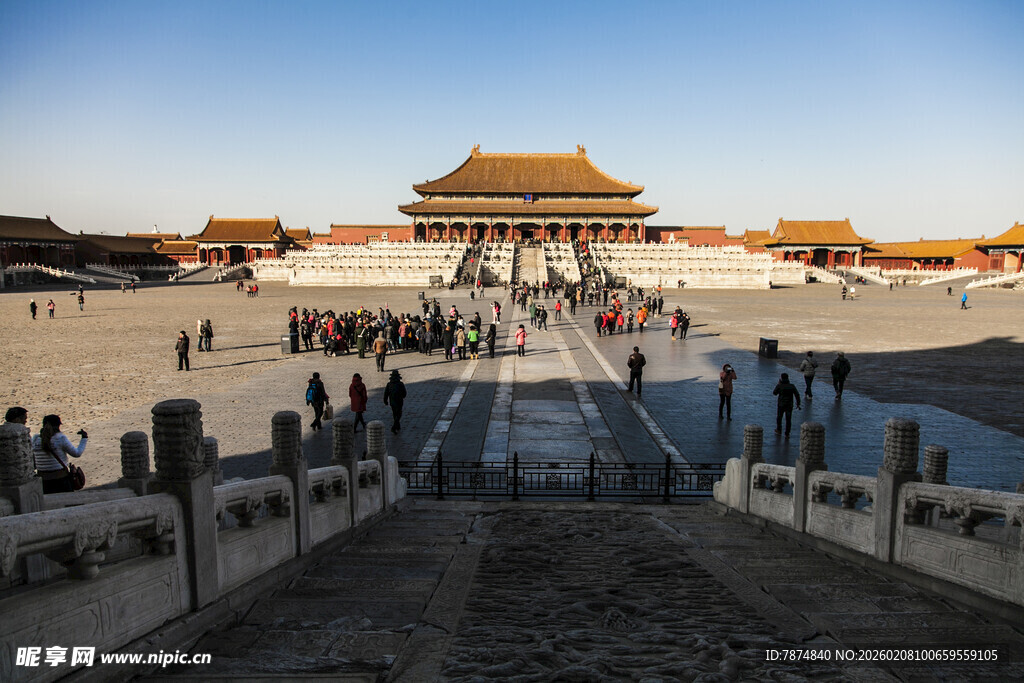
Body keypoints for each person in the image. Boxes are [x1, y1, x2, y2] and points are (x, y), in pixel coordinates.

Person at [32, 414, 87, 493]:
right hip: (61, 479)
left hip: (43, 480)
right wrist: (84, 438)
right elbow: (77, 453)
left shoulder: (35, 439)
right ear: (58, 425)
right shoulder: (60, 438)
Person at [773, 372, 802, 437]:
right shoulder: (792, 386)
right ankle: (787, 433)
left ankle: (779, 430)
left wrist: (778, 384)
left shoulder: (780, 386)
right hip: (789, 405)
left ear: (781, 378)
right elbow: (797, 394)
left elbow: (774, 393)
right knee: (788, 419)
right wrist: (798, 403)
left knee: (779, 417)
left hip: (781, 404)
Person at [383, 369, 407, 434]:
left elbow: (386, 393)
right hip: (399, 401)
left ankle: (397, 426)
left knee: (394, 413)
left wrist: (385, 401)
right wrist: (402, 396)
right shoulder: (400, 384)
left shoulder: (389, 384)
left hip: (392, 401)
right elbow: (404, 393)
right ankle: (394, 427)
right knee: (399, 414)